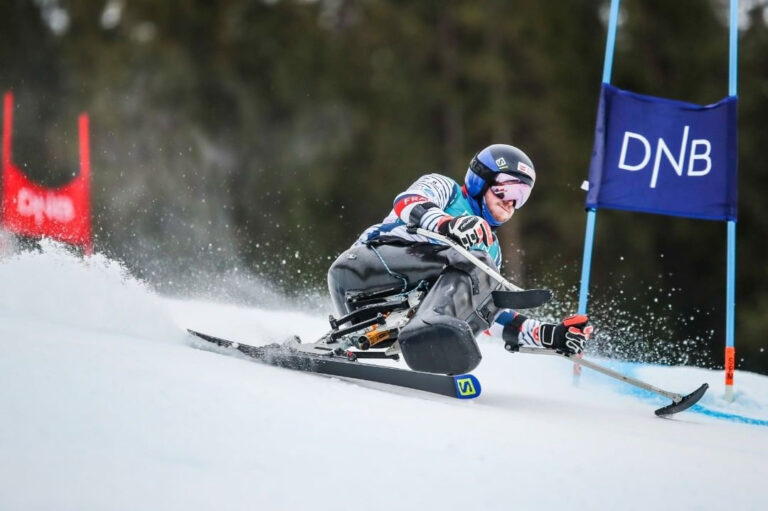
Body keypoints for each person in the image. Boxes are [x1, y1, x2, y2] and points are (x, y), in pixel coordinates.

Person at [327, 144, 592, 374]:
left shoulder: (491, 251)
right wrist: (447, 225)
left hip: (393, 319)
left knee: (482, 285)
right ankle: (431, 328)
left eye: (520, 197)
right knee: (474, 261)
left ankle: (435, 339)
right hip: (361, 270)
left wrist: (550, 335)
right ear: (480, 181)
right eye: (506, 191)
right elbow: (407, 202)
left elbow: (484, 310)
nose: (511, 203)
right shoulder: (447, 189)